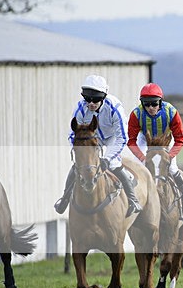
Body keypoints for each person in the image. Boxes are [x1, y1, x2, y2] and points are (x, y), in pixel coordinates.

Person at [54, 74, 142, 216]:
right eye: (88, 99)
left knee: (112, 163)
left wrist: (107, 158)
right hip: (92, 137)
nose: (91, 103)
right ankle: (64, 199)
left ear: (104, 97)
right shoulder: (80, 109)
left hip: (113, 137)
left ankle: (132, 199)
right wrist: (81, 152)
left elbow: (122, 138)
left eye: (96, 99)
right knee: (78, 166)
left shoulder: (115, 108)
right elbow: (73, 134)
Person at [126, 82, 183, 219]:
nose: (150, 107)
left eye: (154, 104)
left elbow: (180, 138)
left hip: (166, 139)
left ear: (160, 102)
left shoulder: (171, 112)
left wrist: (170, 155)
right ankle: (133, 201)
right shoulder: (136, 114)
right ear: (142, 103)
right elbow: (132, 141)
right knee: (138, 168)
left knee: (173, 169)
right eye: (146, 104)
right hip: (145, 139)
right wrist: (142, 158)